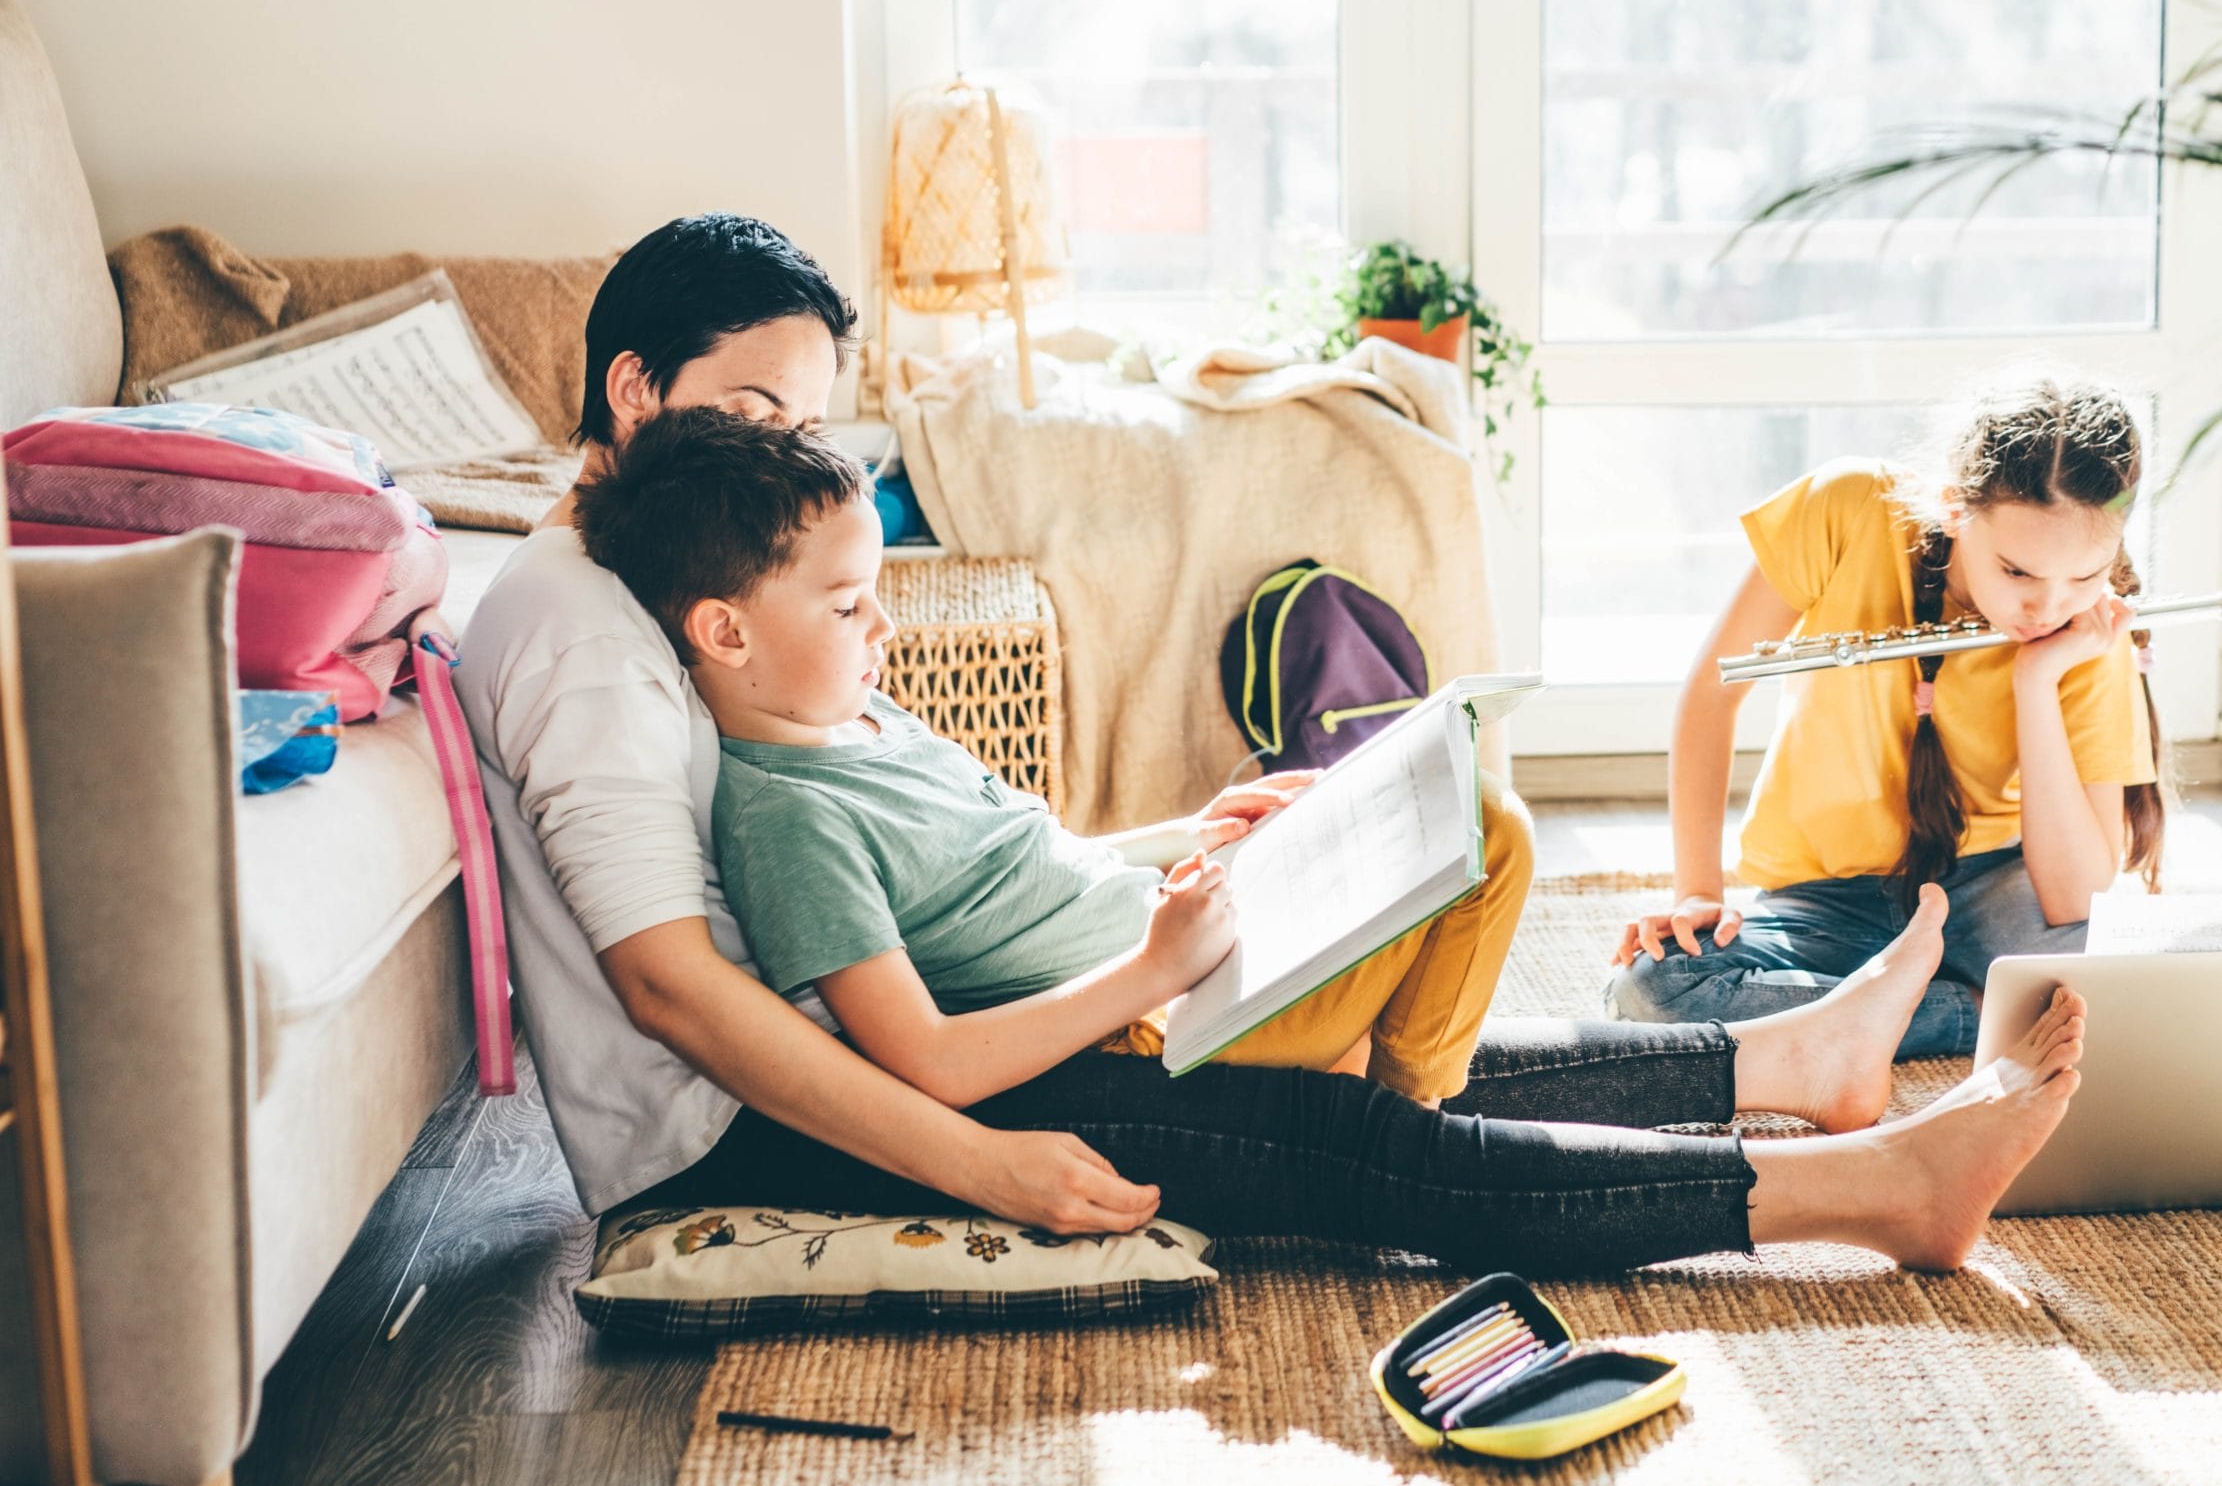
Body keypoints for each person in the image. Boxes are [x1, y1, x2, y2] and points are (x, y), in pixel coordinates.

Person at [456, 211, 2089, 1276]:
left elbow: (964, 869)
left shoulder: (695, 588)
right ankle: (1873, 1188)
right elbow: (684, 990)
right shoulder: (596, 634)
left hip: (979, 1003)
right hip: (770, 1116)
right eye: (755, 418)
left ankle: (1791, 1065)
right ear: (634, 387)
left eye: (808, 422)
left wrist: (1175, 843)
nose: (792, 458)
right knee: (1365, 1144)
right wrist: (992, 1165)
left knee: (1390, 979)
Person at [574, 405, 1527, 1110]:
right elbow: (930, 1062)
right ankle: (1404, 1125)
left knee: (1420, 805)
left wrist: (1186, 833)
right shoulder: (790, 822)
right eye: (845, 604)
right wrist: (1154, 972)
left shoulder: (862, 718)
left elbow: (1024, 873)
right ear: (725, 633)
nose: (885, 624)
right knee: (1480, 828)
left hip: (1176, 946)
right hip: (1158, 1022)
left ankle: (1387, 1085)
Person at [1606, 376, 2167, 1057]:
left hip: (1988, 888)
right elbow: (1710, 695)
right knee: (1653, 988)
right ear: (1955, 509)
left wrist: (2038, 681)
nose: (2046, 609)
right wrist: (1698, 890)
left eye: (2083, 577)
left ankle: (1866, 1017)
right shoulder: (1847, 508)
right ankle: (1977, 1012)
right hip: (1825, 900)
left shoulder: (2087, 637)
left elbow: (2074, 897)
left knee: (2128, 984)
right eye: (2017, 573)